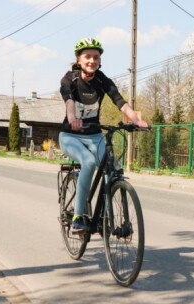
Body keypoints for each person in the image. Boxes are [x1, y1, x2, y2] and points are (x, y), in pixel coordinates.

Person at [59, 37, 148, 233]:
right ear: (79, 60)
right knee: (89, 163)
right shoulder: (69, 79)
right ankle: (78, 217)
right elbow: (69, 100)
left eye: (96, 57)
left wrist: (136, 119)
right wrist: (72, 117)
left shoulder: (102, 80)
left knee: (114, 168)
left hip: (94, 135)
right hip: (71, 136)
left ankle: (107, 216)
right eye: (87, 57)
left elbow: (120, 102)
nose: (92, 61)